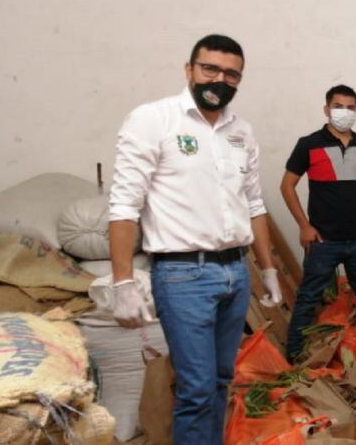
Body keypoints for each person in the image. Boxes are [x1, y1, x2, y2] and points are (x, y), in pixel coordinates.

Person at [107, 34, 283, 445]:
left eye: (231, 74)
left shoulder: (241, 132)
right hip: (183, 276)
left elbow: (254, 204)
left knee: (221, 380)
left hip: (235, 272)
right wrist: (122, 282)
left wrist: (268, 269)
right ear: (189, 70)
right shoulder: (154, 120)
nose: (219, 79)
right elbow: (124, 205)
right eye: (210, 69)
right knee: (197, 389)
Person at [280, 84, 356, 362]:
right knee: (308, 299)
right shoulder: (309, 144)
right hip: (323, 241)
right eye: (338, 107)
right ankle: (294, 359)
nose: (344, 112)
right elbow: (287, 186)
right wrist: (304, 226)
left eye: (350, 108)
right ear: (326, 109)